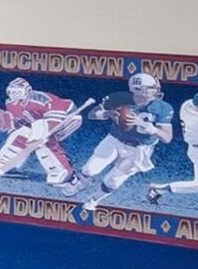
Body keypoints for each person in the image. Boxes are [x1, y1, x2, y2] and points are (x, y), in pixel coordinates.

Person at [72, 71, 175, 213]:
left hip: (140, 149)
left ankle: (93, 200)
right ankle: (80, 183)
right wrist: (107, 114)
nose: (155, 90)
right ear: (138, 89)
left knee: (114, 180)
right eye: (150, 87)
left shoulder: (163, 108)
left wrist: (146, 125)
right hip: (115, 140)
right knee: (90, 169)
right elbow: (92, 114)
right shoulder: (119, 98)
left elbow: (167, 137)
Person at [0, 76, 84, 187]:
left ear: (27, 90)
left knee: (44, 140)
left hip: (68, 117)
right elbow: (17, 123)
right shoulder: (11, 104)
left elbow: (56, 114)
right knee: (21, 134)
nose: (14, 95)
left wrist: (41, 134)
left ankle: (63, 172)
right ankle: (6, 164)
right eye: (11, 92)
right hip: (39, 122)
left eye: (17, 91)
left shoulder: (42, 99)